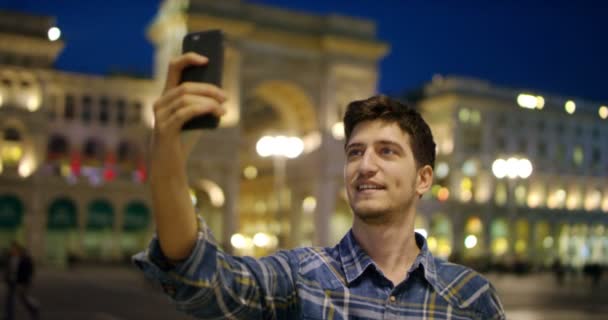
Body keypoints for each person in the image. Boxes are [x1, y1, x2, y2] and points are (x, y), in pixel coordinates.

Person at [133, 53, 506, 319]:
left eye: (387, 151)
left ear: (423, 178)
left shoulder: (470, 298)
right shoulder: (298, 278)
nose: (366, 165)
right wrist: (167, 149)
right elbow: (206, 281)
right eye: (355, 152)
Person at [3, 241, 40, 320]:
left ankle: (33, 308)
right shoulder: (9, 257)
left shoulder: (25, 259)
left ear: (18, 250)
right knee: (9, 299)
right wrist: (6, 278)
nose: (12, 250)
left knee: (23, 298)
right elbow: (8, 269)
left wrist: (24, 283)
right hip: (12, 281)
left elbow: (29, 271)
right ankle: (9, 316)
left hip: (21, 282)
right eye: (11, 249)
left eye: (13, 249)